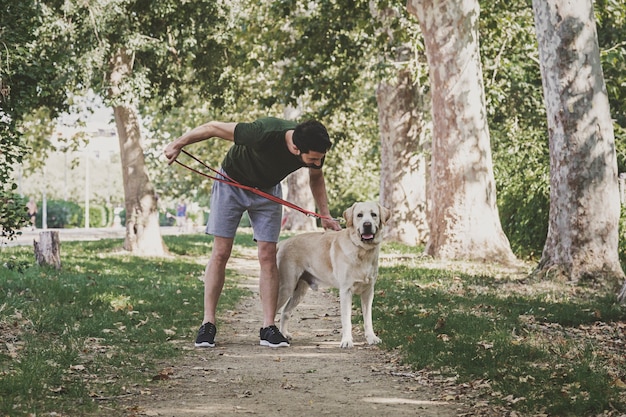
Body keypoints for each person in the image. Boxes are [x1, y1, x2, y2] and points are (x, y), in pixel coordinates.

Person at [164, 117, 341, 348]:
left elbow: (316, 178)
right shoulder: (262, 133)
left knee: (268, 255)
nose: (317, 163)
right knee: (221, 252)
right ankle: (208, 324)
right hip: (231, 183)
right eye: (313, 159)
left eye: (320, 158)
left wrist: (325, 214)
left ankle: (268, 327)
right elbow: (213, 127)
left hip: (267, 191)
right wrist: (178, 144)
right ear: (296, 148)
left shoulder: (313, 147)